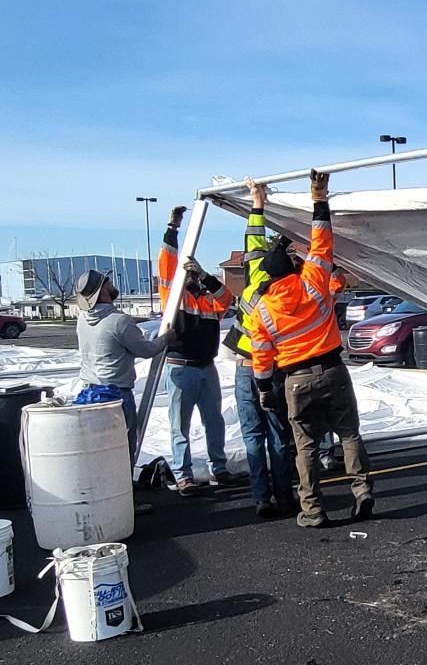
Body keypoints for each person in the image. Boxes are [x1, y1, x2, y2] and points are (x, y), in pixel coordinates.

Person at [247, 170, 373, 528]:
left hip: (296, 380)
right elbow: (322, 243)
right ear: (292, 270)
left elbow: (261, 355)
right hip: (333, 370)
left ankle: (313, 509)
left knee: (304, 446)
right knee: (348, 432)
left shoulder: (263, 310)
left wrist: (264, 390)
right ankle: (362, 490)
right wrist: (319, 198)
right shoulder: (313, 282)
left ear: (269, 279)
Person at [220, 179, 298, 518]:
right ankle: (284, 496)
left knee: (253, 436)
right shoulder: (287, 300)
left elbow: (252, 242)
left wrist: (257, 203)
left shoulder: (252, 285)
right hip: (271, 371)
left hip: (243, 368)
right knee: (279, 434)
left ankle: (260, 498)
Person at [157, 205, 242, 496]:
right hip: (180, 367)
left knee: (214, 421)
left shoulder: (208, 302)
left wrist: (205, 275)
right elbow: (166, 264)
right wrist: (173, 228)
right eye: (189, 274)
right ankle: (184, 476)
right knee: (179, 426)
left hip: (206, 367)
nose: (190, 277)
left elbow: (227, 297)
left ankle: (219, 469)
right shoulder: (173, 297)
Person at [74, 268, 172, 460]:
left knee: (100, 448)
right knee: (122, 447)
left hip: (89, 391)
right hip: (115, 393)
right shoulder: (119, 321)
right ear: (102, 291)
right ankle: (123, 485)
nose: (112, 284)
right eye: (107, 282)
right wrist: (167, 337)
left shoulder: (82, 319)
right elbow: (146, 350)